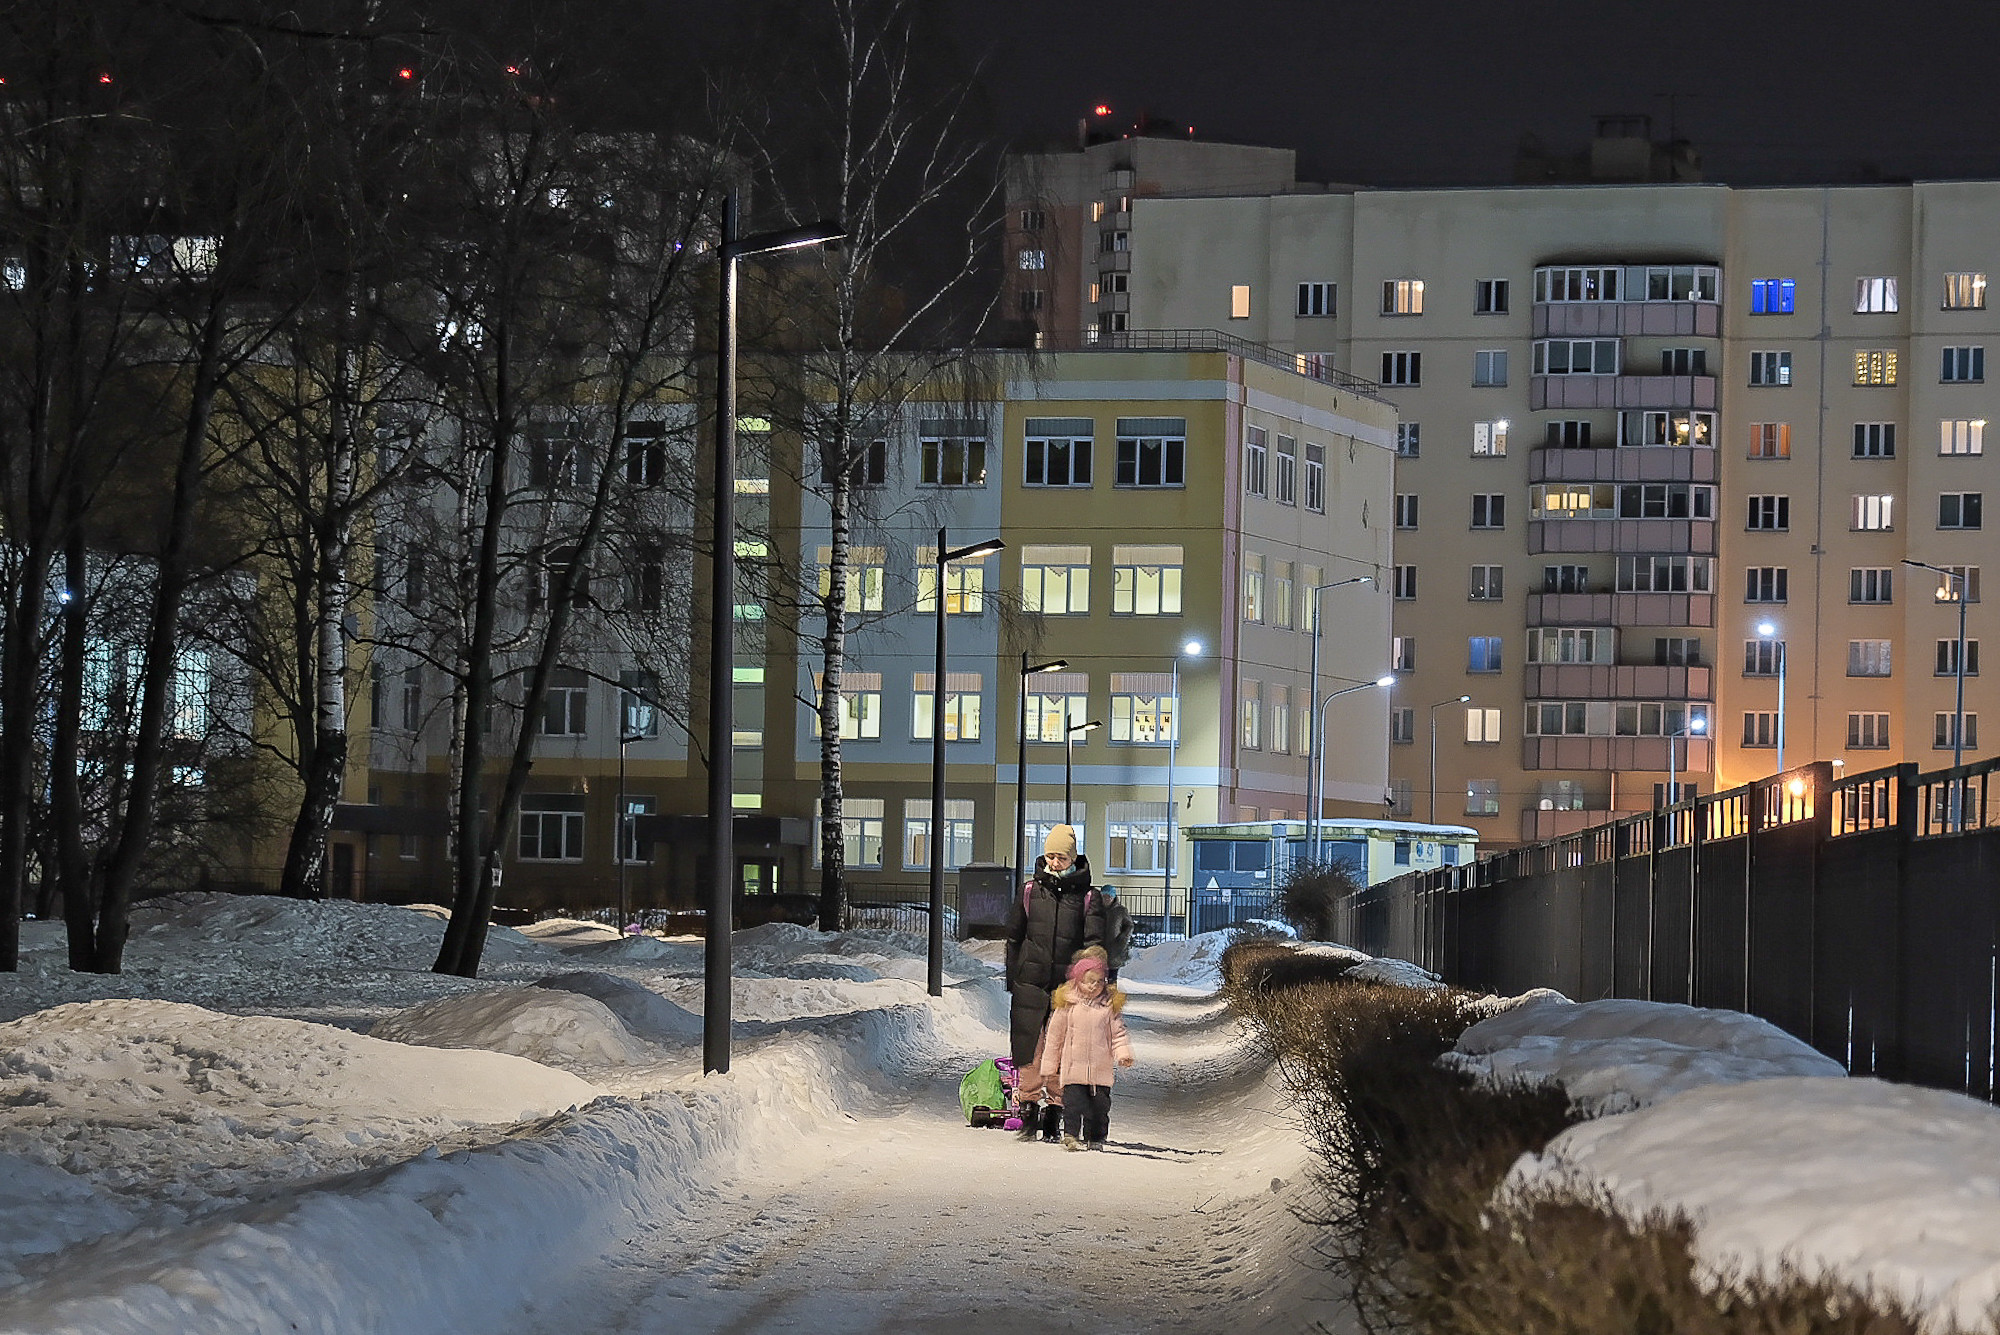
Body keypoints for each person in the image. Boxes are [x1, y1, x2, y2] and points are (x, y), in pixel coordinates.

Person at [1005, 824, 1105, 1142]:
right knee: (1030, 1049)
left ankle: (1056, 1111)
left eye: (1060, 857)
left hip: (1068, 988)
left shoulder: (1088, 898)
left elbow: (1094, 947)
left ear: (1072, 858)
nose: (1054, 862)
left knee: (1062, 1050)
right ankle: (1029, 1109)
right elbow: (1015, 937)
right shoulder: (1030, 892)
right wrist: (1014, 976)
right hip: (1031, 983)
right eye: (1049, 855)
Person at [1041, 951, 1135, 1150]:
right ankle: (1071, 1135)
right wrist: (1050, 1065)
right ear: (1077, 981)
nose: (1094, 986)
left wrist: (1123, 1053)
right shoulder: (1067, 1005)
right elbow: (1054, 1038)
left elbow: (1118, 1034)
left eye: (1099, 982)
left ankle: (1096, 1137)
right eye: (1089, 981)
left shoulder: (1108, 1006)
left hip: (1100, 1069)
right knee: (1073, 1104)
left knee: (1099, 1107)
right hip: (1073, 1069)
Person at [1100, 884, 1134, 984]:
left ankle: (1111, 996)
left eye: (1109, 896)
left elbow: (1129, 926)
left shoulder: (1120, 911)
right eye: (1104, 896)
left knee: (1112, 978)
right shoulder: (1096, 910)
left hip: (1114, 949)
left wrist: (1123, 939)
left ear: (1114, 897)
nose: (1107, 899)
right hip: (1099, 946)